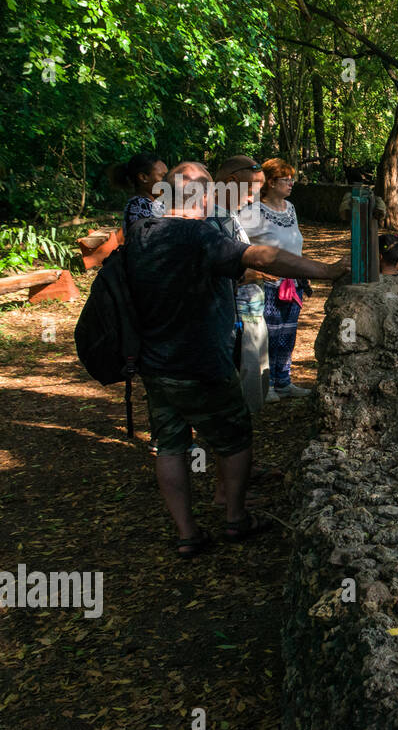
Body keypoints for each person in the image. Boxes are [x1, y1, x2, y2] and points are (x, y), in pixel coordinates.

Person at [124, 162, 347, 558]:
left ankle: (187, 533)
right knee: (235, 435)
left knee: (172, 445)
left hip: (155, 362)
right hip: (202, 360)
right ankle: (234, 517)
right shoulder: (200, 236)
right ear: (203, 196)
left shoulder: (141, 232)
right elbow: (260, 257)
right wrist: (327, 271)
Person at [239, 157, 310, 401]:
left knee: (288, 334)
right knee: (268, 333)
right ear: (270, 182)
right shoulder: (251, 212)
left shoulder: (291, 208)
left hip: (293, 282)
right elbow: (239, 244)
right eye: (286, 179)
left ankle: (284, 381)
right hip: (267, 284)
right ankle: (266, 385)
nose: (291, 183)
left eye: (292, 179)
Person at [211, 156, 273, 416]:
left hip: (249, 309)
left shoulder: (230, 216)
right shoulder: (209, 220)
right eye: (250, 192)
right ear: (232, 182)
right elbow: (218, 270)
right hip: (231, 317)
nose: (252, 200)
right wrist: (254, 272)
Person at [110, 153, 168, 232]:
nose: (167, 181)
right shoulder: (139, 204)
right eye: (162, 176)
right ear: (143, 177)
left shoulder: (154, 203)